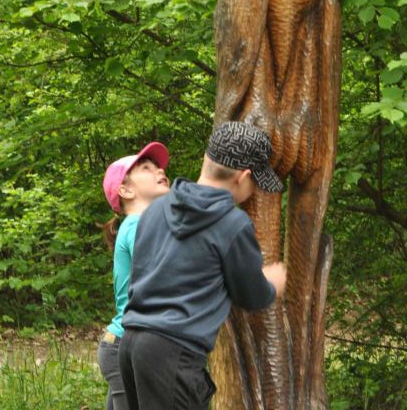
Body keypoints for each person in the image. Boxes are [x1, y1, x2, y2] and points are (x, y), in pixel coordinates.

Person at [119, 121, 288, 410]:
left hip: (132, 345)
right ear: (243, 177)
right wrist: (271, 282)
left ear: (206, 160)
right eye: (255, 183)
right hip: (173, 355)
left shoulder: (156, 209)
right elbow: (250, 294)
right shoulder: (231, 224)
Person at [97, 141, 171, 410]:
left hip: (122, 344)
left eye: (159, 166)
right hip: (125, 347)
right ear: (126, 190)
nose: (159, 169)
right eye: (147, 167)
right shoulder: (139, 224)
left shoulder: (140, 224)